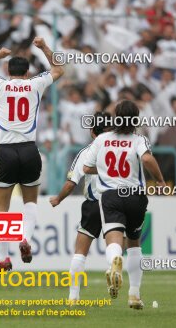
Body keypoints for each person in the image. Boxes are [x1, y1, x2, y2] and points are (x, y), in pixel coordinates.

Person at [0, 37, 64, 273]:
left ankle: (3, 258)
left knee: (2, 206)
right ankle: (27, 239)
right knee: (30, 201)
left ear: (7, 70)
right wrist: (43, 47)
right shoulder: (36, 84)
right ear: (27, 71)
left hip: (5, 151)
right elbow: (59, 69)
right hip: (29, 149)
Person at [83, 100, 166, 310]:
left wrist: (104, 172)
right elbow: (147, 160)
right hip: (135, 196)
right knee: (135, 243)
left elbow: (86, 167)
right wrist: (160, 180)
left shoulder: (102, 139)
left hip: (110, 196)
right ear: (136, 118)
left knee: (113, 240)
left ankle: (115, 262)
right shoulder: (139, 139)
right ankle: (134, 295)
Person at [49, 112, 112, 301]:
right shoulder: (121, 149)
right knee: (115, 245)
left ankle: (73, 297)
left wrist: (58, 199)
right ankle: (114, 269)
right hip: (115, 203)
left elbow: (71, 184)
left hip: (93, 205)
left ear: (92, 131)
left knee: (80, 252)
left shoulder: (86, 152)